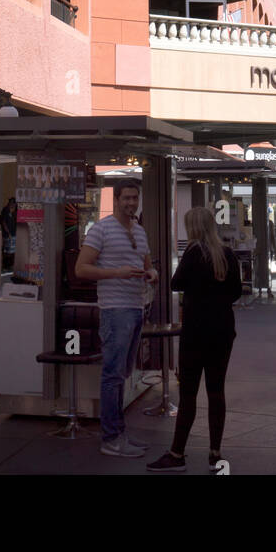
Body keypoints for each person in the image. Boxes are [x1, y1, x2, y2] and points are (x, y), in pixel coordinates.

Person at [147, 206, 241, 473]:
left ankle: (177, 453)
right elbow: (236, 291)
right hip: (222, 331)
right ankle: (215, 454)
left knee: (188, 394)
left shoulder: (192, 252)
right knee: (216, 391)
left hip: (195, 333)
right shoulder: (227, 254)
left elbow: (176, 283)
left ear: (193, 228)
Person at [75, 177, 158, 457]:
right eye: (127, 198)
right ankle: (111, 438)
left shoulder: (139, 231)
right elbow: (81, 269)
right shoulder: (101, 229)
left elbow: (147, 265)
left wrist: (152, 273)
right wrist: (116, 273)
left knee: (123, 374)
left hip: (136, 308)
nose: (131, 203)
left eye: (135, 198)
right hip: (114, 310)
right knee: (113, 375)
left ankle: (119, 433)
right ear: (116, 200)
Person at [0, 197, 17, 272]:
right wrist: (8, 233)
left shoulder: (16, 210)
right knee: (7, 251)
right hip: (7, 234)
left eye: (14, 203)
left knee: (13, 251)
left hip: (14, 233)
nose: (12, 205)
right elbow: (3, 222)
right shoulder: (5, 210)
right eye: (11, 203)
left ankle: (10, 266)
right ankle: (5, 266)